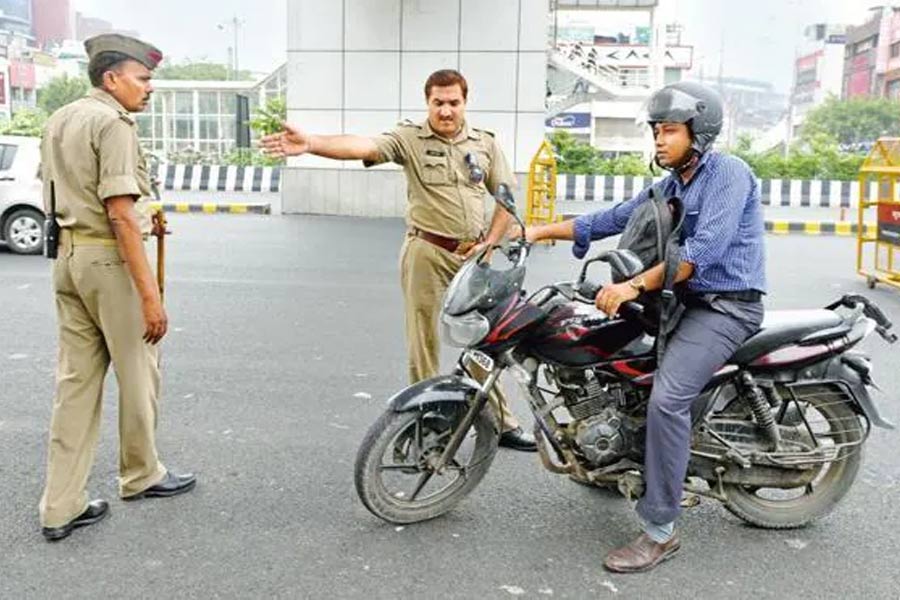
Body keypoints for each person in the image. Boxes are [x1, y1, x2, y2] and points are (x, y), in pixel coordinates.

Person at [523, 81, 766, 572]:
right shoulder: (672, 184)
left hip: (724, 307)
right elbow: (612, 218)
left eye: (669, 130)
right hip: (679, 303)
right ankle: (616, 460)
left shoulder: (728, 174)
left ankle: (660, 530)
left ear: (699, 132)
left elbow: (701, 254)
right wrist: (535, 231)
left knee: (668, 399)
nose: (658, 139)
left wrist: (633, 287)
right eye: (656, 130)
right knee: (611, 359)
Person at [261, 69, 535, 451]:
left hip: (473, 257)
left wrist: (489, 244)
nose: (445, 111)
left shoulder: (485, 144)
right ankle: (429, 416)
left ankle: (502, 421)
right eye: (438, 102)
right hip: (427, 250)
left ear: (464, 102)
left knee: (483, 338)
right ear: (428, 103)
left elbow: (506, 198)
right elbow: (365, 147)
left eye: (453, 102)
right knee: (423, 339)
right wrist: (312, 143)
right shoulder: (410, 138)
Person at [38, 33, 196, 542]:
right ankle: (141, 473)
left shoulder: (62, 118)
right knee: (139, 371)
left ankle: (60, 506)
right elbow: (121, 215)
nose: (149, 88)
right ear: (112, 78)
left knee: (75, 386)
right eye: (143, 78)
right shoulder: (114, 124)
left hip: (69, 257)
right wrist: (152, 299)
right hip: (110, 262)